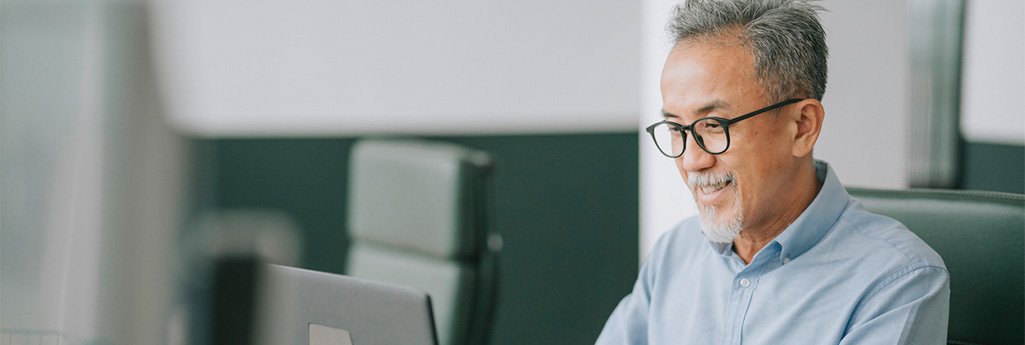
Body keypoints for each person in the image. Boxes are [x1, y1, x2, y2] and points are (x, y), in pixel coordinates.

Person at [596, 0, 949, 344]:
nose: (692, 160)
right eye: (676, 129)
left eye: (714, 125)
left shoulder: (897, 282)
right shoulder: (675, 252)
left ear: (802, 127)